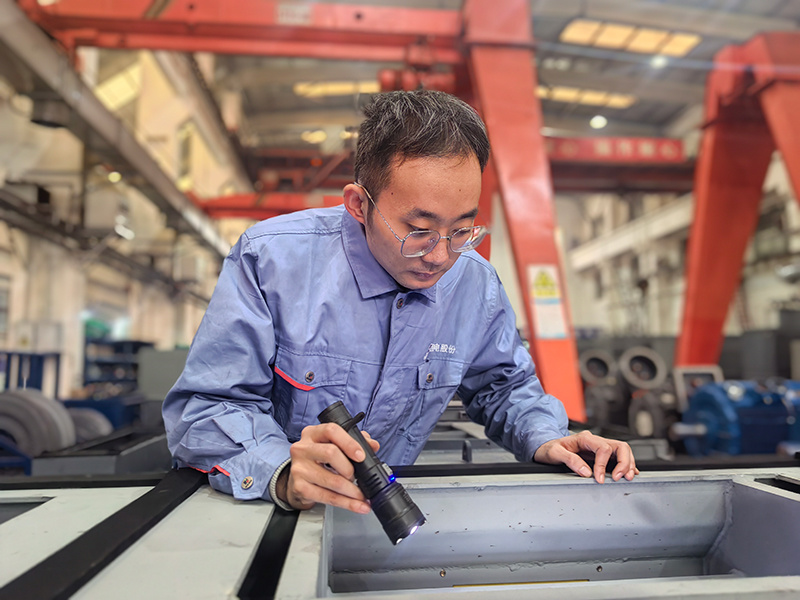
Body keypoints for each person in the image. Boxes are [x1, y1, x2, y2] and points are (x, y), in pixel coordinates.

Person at [163, 90, 637, 515]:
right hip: (267, 514)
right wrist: (282, 471)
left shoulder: (475, 284)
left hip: (381, 514)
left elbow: (504, 388)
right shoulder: (272, 261)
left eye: (462, 230)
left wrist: (549, 438)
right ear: (358, 204)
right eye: (419, 230)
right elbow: (205, 407)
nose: (441, 256)